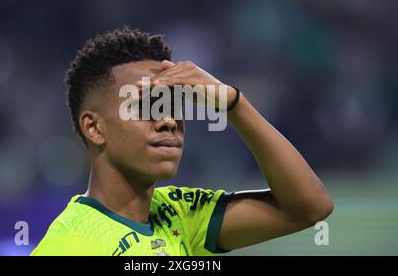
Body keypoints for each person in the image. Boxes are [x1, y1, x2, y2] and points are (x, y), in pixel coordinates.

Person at [31, 27, 333, 256]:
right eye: (145, 106)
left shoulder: (177, 212)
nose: (168, 120)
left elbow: (310, 208)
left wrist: (235, 105)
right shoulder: (70, 246)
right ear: (94, 127)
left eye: (172, 106)